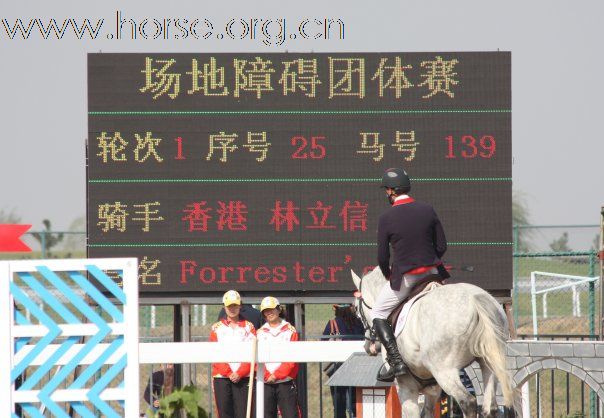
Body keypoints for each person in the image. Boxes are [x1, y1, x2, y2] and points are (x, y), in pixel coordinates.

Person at [372, 167, 449, 382]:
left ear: (391, 191)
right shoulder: (427, 209)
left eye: (386, 190)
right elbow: (442, 245)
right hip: (433, 273)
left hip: (408, 277)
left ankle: (396, 362)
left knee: (377, 312)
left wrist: (389, 275)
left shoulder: (386, 217)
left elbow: (382, 257)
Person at [210, 290, 257, 418]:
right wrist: (229, 373)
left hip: (243, 377)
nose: (232, 308)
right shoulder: (216, 328)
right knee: (225, 414)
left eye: (235, 305)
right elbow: (216, 354)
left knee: (243, 413)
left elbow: (251, 354)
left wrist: (240, 373)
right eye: (229, 305)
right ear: (224, 306)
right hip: (222, 377)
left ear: (240, 306)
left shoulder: (249, 327)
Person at [256, 296, 301, 418]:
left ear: (279, 309)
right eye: (266, 310)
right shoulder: (259, 333)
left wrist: (276, 375)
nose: (269, 313)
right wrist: (266, 375)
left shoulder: (290, 331)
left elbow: (291, 359)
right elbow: (256, 359)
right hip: (265, 382)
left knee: (291, 415)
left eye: (271, 309)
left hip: (285, 381)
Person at [322, 304, 364, 418]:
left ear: (337, 310)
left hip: (336, 369)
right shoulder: (359, 324)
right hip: (356, 368)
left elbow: (323, 343)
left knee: (339, 404)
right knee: (356, 402)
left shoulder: (332, 324)